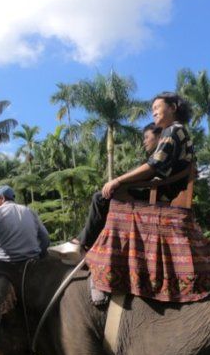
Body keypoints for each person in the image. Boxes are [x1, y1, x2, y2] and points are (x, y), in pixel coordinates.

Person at [77, 92, 195, 251]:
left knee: (102, 197)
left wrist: (118, 180)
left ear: (173, 108)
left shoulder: (172, 130)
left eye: (157, 108)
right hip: (166, 190)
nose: (153, 113)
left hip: (160, 194)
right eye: (152, 109)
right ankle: (87, 242)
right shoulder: (180, 131)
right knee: (107, 194)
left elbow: (153, 167)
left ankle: (84, 246)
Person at [0, 184, 50, 267]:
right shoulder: (30, 211)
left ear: (2, 198)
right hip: (31, 260)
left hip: (3, 262)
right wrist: (40, 254)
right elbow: (45, 237)